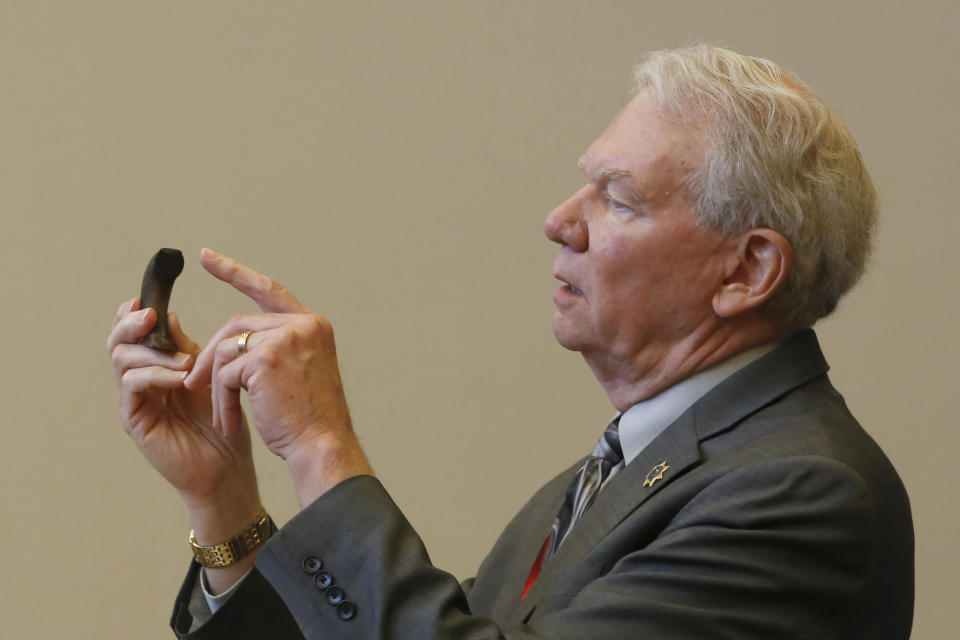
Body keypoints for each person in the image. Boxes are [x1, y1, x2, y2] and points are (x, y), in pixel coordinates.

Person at [107, 45, 914, 639]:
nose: (560, 221)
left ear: (747, 270)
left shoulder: (799, 490)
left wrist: (320, 447)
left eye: (618, 198)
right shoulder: (622, 472)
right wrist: (224, 503)